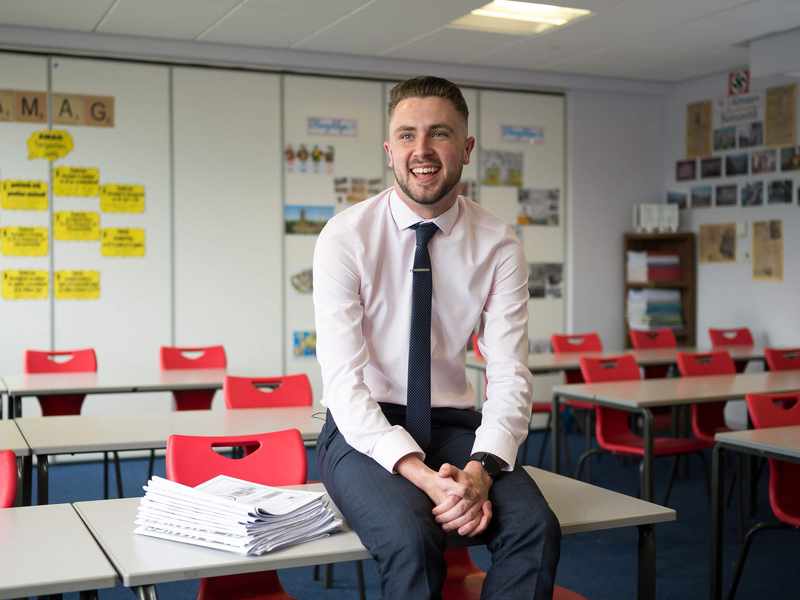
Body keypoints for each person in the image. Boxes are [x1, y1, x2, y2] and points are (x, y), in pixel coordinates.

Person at [313, 75, 560, 599]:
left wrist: (480, 471)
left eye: (438, 134)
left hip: (453, 426)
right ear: (388, 150)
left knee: (534, 529)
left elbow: (510, 374)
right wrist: (425, 479)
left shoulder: (499, 244)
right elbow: (343, 381)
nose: (421, 151)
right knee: (411, 535)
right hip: (364, 428)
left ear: (466, 148)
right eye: (406, 136)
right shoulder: (345, 237)